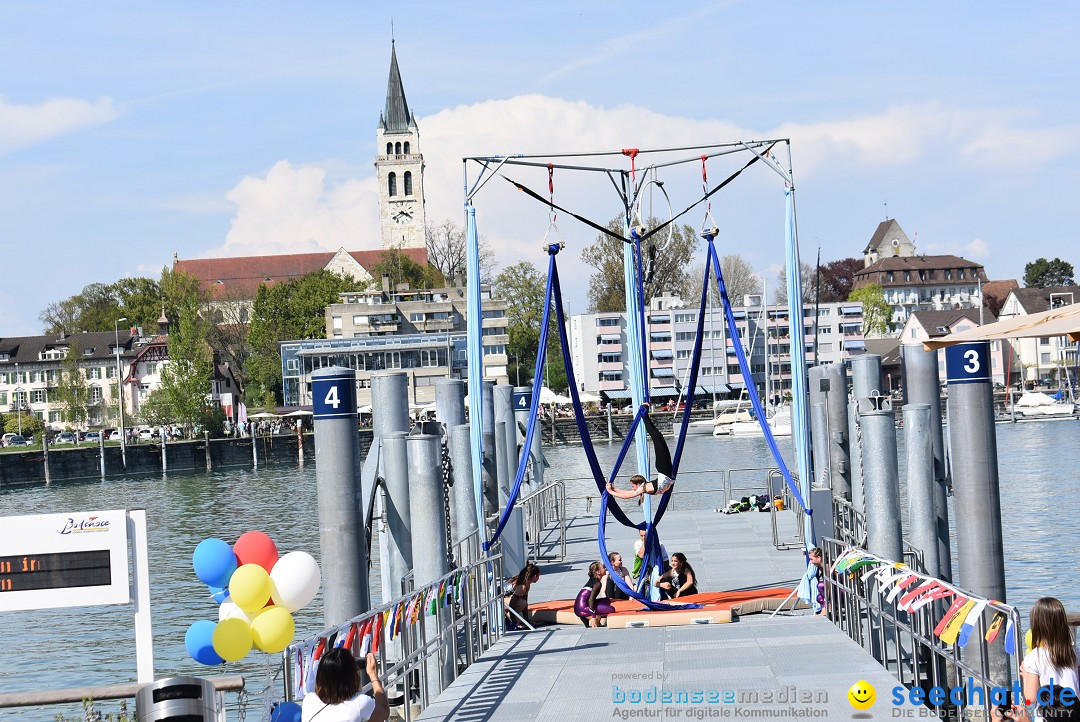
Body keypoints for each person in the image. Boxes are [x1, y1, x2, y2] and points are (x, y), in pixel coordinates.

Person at [1021, 597, 1079, 720]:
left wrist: (1025, 676)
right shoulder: (1074, 652)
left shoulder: (1033, 657)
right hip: (1074, 713)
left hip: (1049, 715)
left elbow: (1030, 698)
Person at [301, 647, 389, 722]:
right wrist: (373, 675)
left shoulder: (309, 700)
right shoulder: (360, 703)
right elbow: (384, 711)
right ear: (352, 676)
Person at [606, 412, 675, 502]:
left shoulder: (643, 488)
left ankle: (644, 414)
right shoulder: (643, 488)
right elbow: (626, 494)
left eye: (633, 486)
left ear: (638, 484)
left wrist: (611, 490)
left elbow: (626, 495)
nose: (633, 488)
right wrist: (612, 490)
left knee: (657, 437)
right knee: (658, 437)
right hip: (665, 470)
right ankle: (644, 415)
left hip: (664, 469)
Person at [574, 561, 616, 628]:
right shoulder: (597, 584)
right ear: (598, 572)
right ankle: (591, 617)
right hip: (582, 609)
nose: (605, 569)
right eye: (603, 568)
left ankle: (588, 617)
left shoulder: (593, 580)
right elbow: (591, 599)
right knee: (611, 609)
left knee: (607, 601)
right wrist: (593, 616)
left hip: (580, 606)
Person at [505, 562, 541, 629]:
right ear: (535, 576)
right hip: (499, 602)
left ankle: (508, 618)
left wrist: (526, 621)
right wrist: (514, 623)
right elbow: (512, 604)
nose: (539, 577)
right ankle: (509, 619)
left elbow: (525, 604)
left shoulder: (527, 585)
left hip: (505, 602)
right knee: (521, 603)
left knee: (523, 603)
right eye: (539, 575)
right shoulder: (522, 586)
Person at [809, 547, 827, 616]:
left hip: (842, 593)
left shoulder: (827, 567)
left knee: (820, 585)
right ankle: (835, 610)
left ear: (819, 558)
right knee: (819, 598)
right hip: (835, 591)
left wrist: (824, 608)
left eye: (811, 559)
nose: (810, 562)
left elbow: (829, 588)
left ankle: (829, 608)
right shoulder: (821, 567)